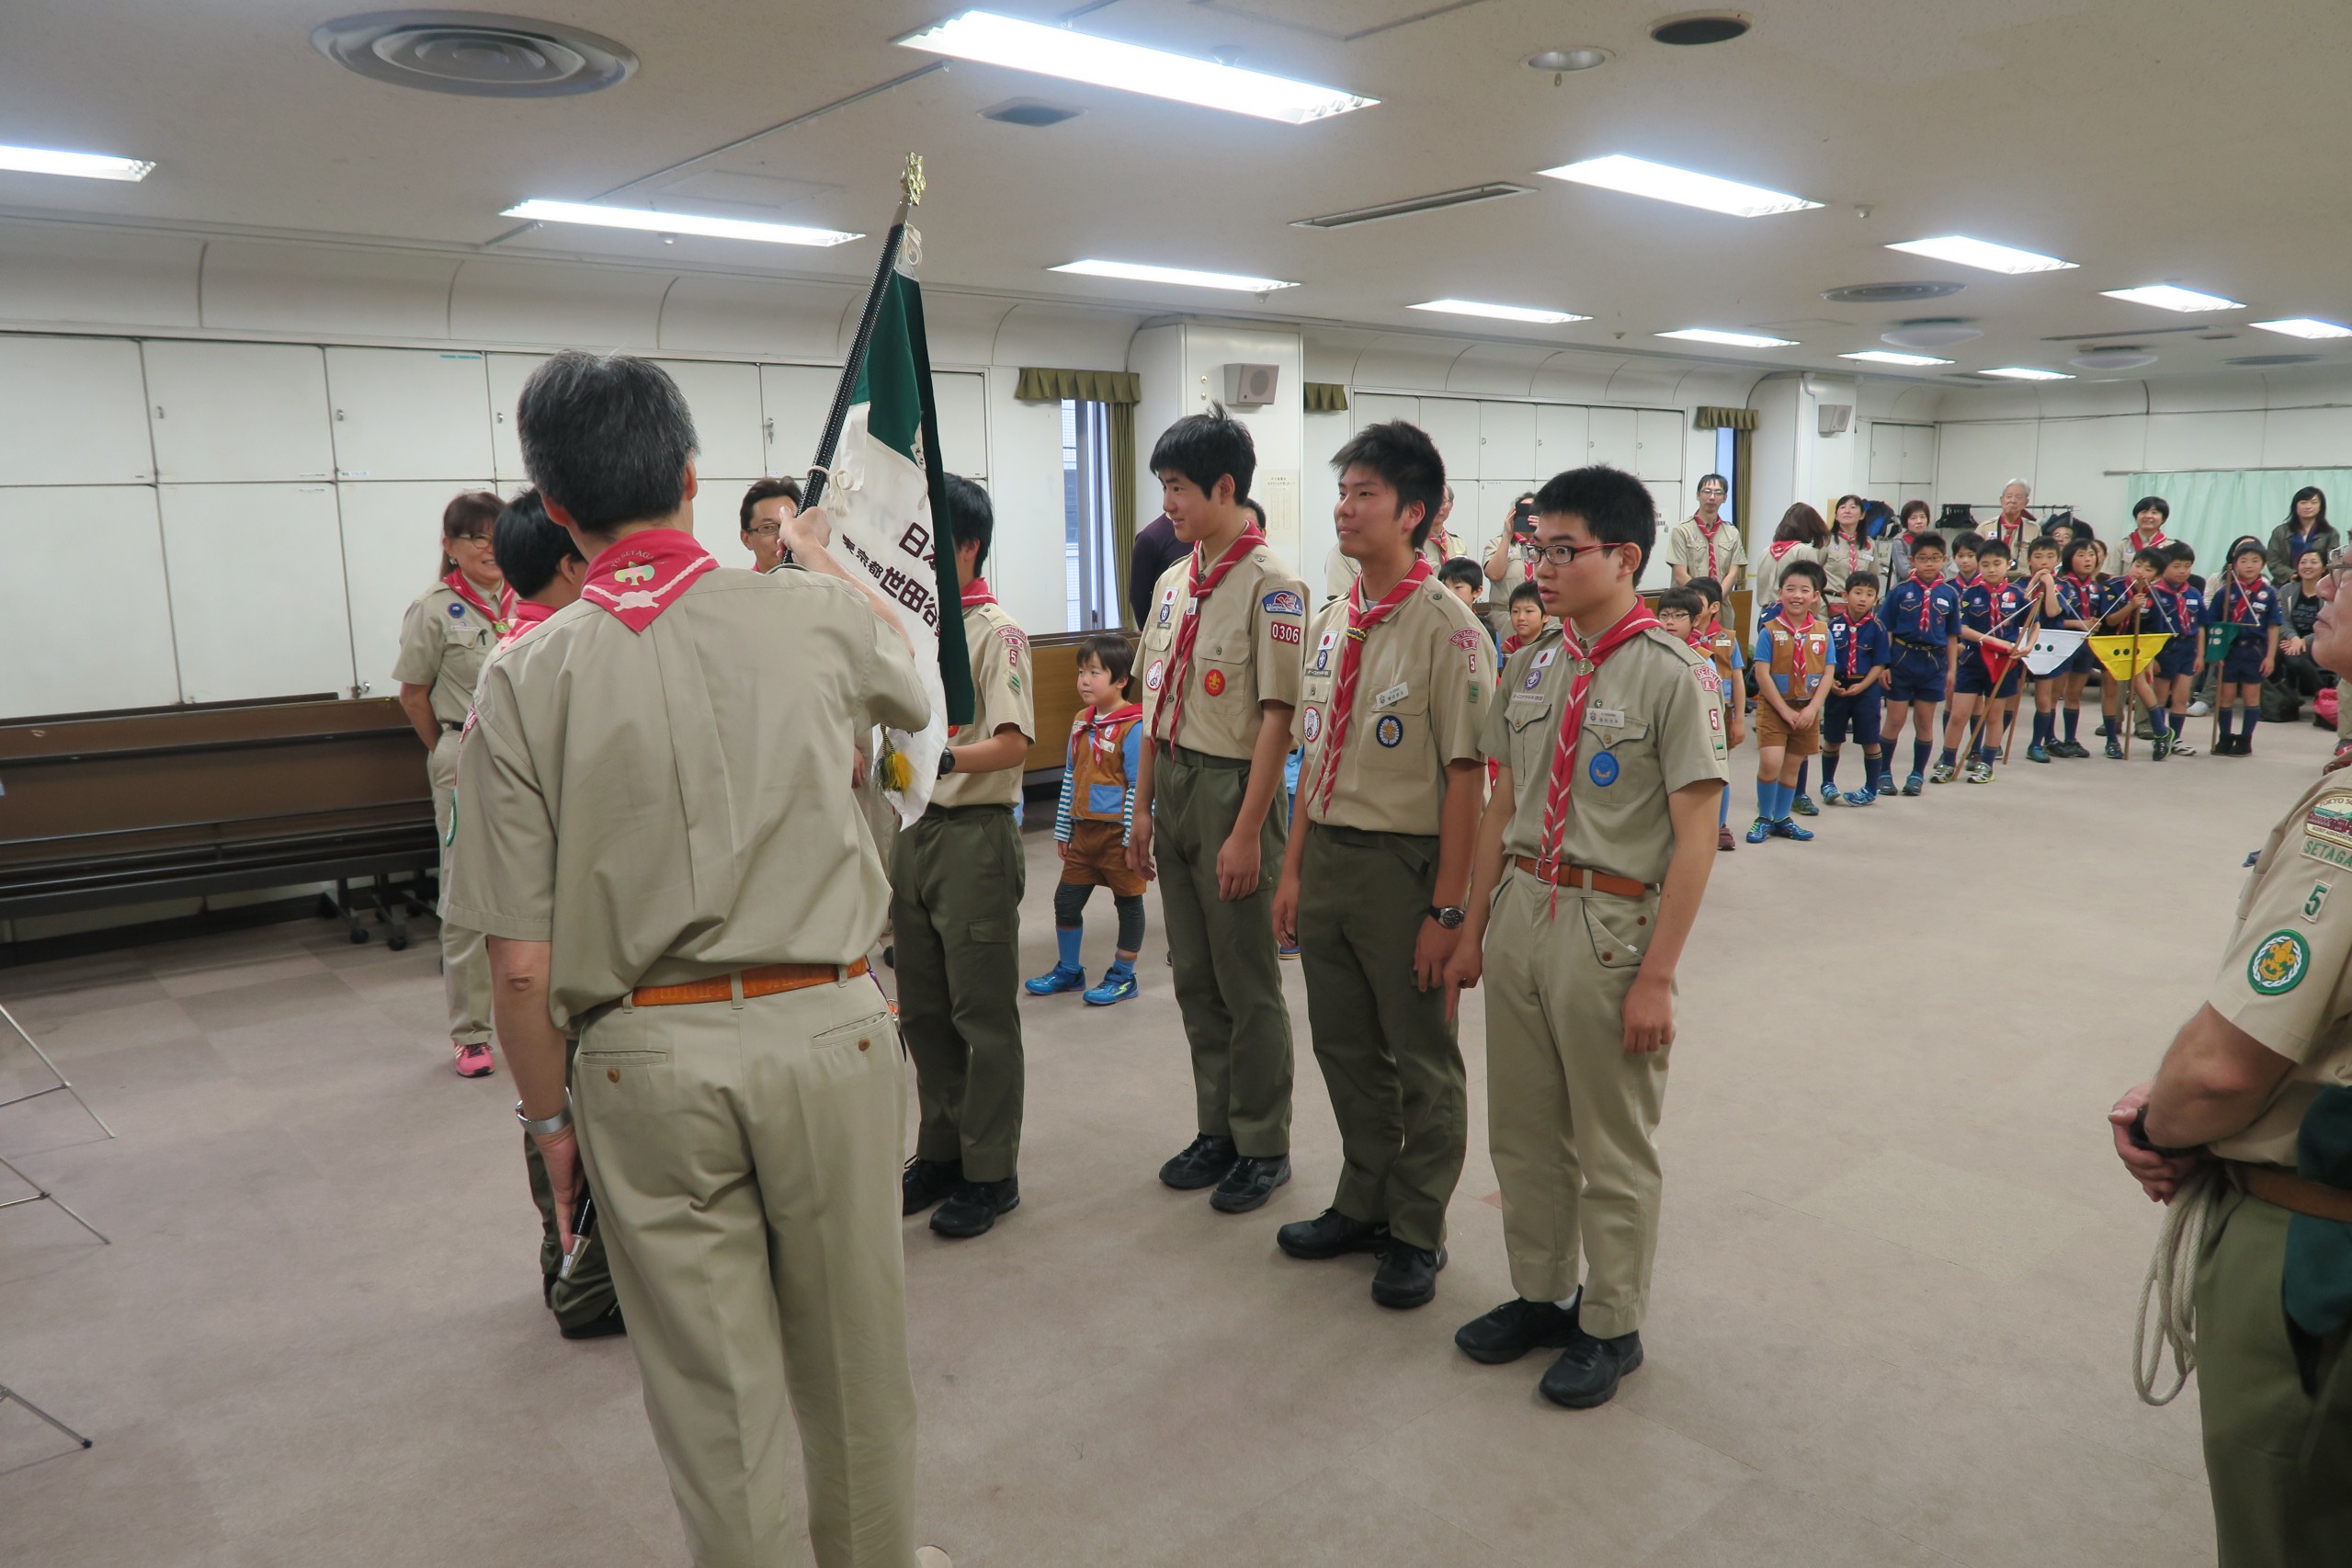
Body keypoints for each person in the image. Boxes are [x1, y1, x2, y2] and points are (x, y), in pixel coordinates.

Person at [448, 350, 927, 1568]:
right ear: (691, 476)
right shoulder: (813, 615)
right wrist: (817, 557)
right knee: (856, 1359)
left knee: (713, 1394)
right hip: (826, 1023)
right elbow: (919, 696)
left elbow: (517, 962)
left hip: (641, 1057)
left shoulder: (520, 674)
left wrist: (549, 1125)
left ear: (555, 507)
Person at [1443, 464, 1728, 1410]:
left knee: (1612, 1142)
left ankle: (1610, 1322)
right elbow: (1502, 803)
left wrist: (1657, 977)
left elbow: (1696, 838)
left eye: (1565, 550)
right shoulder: (1531, 662)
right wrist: (1473, 927)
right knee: (1523, 1130)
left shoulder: (1674, 673)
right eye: (1538, 547)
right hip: (1525, 907)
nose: (1543, 566)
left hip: (1609, 927)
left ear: (1627, 557)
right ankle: (1540, 1294)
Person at [2107, 545, 2352, 1562]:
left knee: (2286, 1524)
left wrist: (2159, 1125)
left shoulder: (2346, 822)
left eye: (2349, 575)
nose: (2325, 587)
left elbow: (2223, 1070)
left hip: (2315, 1244)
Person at [1272, 421, 1493, 1310]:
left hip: (1405, 869)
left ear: (1413, 514)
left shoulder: (1450, 631)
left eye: (1365, 494)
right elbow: (1312, 754)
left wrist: (1448, 913)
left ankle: (1416, 1227)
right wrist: (1294, 871)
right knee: (1343, 1045)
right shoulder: (1333, 623)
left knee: (1420, 1055)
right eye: (1343, 491)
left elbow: (1466, 781)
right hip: (1328, 854)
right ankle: (1362, 1200)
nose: (1344, 508)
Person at [1131, 406, 1307, 1214]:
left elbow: (1278, 719)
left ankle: (1263, 1143)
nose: (1167, 504)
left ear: (1224, 487)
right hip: (1171, 783)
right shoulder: (1174, 582)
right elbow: (1151, 707)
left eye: (1177, 488)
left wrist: (1245, 833)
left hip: (1233, 791)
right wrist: (1140, 810)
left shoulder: (1273, 587)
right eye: (1163, 487)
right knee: (1195, 976)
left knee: (1246, 980)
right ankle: (1218, 1128)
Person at [472, 491, 620, 1340]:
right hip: (588, 973)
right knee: (584, 1149)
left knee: (554, 1133)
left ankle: (559, 1258)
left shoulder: (512, 663)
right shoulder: (562, 672)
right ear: (571, 565)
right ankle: (583, 1284)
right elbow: (521, 964)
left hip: (544, 967)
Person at [896, 476, 1037, 1240]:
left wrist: (941, 759)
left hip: (972, 837)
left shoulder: (994, 632)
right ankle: (941, 1151)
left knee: (979, 1014)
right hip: (913, 833)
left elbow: (1012, 744)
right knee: (923, 1011)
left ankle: (991, 1172)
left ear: (968, 546)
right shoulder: (910, 628)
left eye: (928, 542)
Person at [393, 489, 511, 1079]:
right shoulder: (434, 609)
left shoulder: (533, 596)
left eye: (497, 535)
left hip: (527, 761)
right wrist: (446, 746)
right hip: (462, 758)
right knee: (465, 898)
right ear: (450, 546)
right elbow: (413, 695)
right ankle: (471, 1035)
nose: (490, 548)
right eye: (475, 537)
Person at [1027, 634, 1147, 1004]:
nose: (1084, 680)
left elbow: (1140, 787)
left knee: (1128, 904)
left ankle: (1124, 975)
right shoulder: (1082, 721)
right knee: (1066, 901)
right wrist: (1063, 829)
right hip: (1083, 834)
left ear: (1121, 680)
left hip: (1117, 836)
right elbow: (1070, 776)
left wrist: (1131, 841)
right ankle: (1069, 970)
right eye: (1081, 672)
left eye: (1095, 672)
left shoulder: (1133, 726)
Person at [1745, 560, 1833, 842]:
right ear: (1780, 592)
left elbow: (1828, 672)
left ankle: (1782, 818)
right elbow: (1762, 673)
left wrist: (1813, 709)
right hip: (1775, 707)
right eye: (1790, 589)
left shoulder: (1822, 631)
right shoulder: (1769, 630)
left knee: (1792, 766)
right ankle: (1764, 817)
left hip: (1806, 708)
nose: (1797, 595)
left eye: (1804, 590)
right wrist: (1783, 710)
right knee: (1771, 762)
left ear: (1815, 596)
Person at [1940, 537, 2031, 783]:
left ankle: (1986, 764)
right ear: (1979, 565)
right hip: (1973, 660)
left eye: (1997, 563)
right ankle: (1947, 762)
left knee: (1994, 716)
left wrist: (2027, 647)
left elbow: (2033, 624)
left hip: (2004, 664)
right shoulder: (1969, 594)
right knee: (1958, 714)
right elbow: (1962, 628)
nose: (1991, 569)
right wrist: (1993, 641)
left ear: (2008, 564)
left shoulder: (2018, 595)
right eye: (1986, 564)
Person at [1877, 531, 1961, 795]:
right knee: (1895, 719)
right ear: (1912, 560)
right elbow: (1887, 630)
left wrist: (1952, 670)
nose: (1929, 563)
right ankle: (1883, 772)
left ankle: (1916, 774)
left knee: (1924, 721)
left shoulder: (1949, 594)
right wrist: (1884, 665)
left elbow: (1952, 636)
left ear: (1944, 560)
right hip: (1902, 658)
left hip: (1933, 663)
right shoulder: (1900, 591)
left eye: (1935, 558)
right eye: (1922, 558)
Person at [1685, 576, 1746, 849]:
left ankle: (1719, 825)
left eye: (1696, 602)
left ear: (1714, 607)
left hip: (1721, 714)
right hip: (1689, 712)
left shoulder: (1727, 639)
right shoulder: (1679, 638)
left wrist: (1740, 720)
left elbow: (1738, 680)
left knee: (1720, 770)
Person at [1821, 569, 1890, 804]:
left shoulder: (1878, 627)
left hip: (1866, 689)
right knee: (1832, 738)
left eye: (1869, 594)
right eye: (1858, 592)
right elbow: (1824, 659)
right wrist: (1830, 682)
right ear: (1845, 595)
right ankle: (1827, 783)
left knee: (1870, 739)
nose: (1863, 598)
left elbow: (1879, 664)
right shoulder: (1832, 626)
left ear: (1876, 600)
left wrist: (1862, 686)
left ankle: (1871, 788)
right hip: (1837, 687)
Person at [2208, 540, 2282, 756]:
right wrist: (2216, 652)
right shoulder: (2225, 592)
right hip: (2229, 650)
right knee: (2226, 696)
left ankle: (2245, 740)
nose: (2249, 565)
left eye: (2255, 561)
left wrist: (2270, 657)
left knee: (2251, 697)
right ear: (2234, 564)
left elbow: (2273, 627)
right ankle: (2225, 737)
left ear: (2263, 564)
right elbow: (2214, 625)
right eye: (2244, 560)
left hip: (2254, 651)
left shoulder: (2268, 594)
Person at [2131, 543, 2205, 759]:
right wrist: (2151, 657)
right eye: (2177, 566)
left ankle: (2176, 738)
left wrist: (2200, 655)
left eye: (2187, 566)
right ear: (2164, 567)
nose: (2182, 571)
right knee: (2160, 696)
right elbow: (2145, 630)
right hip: (2163, 649)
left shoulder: (2193, 593)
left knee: (2182, 697)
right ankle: (2160, 736)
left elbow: (2201, 626)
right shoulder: (2153, 593)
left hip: (2188, 649)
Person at [2095, 548, 2164, 759]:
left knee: (2142, 684)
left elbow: (2153, 631)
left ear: (2157, 576)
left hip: (2137, 646)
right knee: (2111, 689)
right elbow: (2110, 620)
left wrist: (2151, 658)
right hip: (2111, 643)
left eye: (2148, 569)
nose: (2140, 572)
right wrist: (2131, 606)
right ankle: (2112, 740)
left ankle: (2162, 735)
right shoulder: (2112, 587)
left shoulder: (2155, 596)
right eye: (2137, 565)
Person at [2017, 535, 2072, 762]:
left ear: (2058, 560)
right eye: (2038, 557)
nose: (2044, 562)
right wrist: (2033, 583)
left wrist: (2049, 585)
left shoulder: (2063, 586)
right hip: (2022, 641)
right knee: (2011, 695)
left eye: (2050, 557)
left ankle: (2036, 744)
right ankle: (1996, 743)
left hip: (2048, 644)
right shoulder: (2019, 584)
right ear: (2029, 560)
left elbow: (2051, 611)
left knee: (2044, 698)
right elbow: (2022, 609)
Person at [2270, 547, 2331, 720]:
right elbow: (2282, 620)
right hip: (2291, 641)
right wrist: (2294, 638)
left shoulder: (2330, 592)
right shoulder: (2287, 590)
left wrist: (2304, 641)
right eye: (2303, 562)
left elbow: (2329, 624)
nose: (2307, 566)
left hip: (2321, 642)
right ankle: (2282, 700)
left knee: (2292, 656)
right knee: (2278, 653)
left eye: (2313, 562)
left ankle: (2321, 694)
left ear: (2323, 568)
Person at [1664, 472, 1745, 591]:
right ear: (1698, 495)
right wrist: (1703, 600)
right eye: (1707, 491)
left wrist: (1717, 598)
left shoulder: (1732, 532)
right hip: (1689, 600)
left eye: (1718, 493)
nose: (1712, 497)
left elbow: (1733, 574)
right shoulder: (1682, 530)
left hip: (1721, 600)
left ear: (1725, 498)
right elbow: (1680, 575)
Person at [1752, 502, 1826, 611]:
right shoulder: (1805, 551)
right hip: (1793, 612)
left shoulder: (1766, 551)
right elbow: (1813, 586)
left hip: (1767, 612)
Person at [1130, 509, 1191, 631]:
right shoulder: (1150, 537)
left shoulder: (1207, 532)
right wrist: (1155, 631)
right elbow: (1138, 596)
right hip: (1168, 627)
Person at [2265, 485, 2336, 585]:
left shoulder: (2330, 533)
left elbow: (2333, 562)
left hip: (2319, 585)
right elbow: (2272, 561)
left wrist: (2313, 576)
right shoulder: (2280, 532)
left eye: (2314, 502)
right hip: (2285, 584)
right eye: (2303, 502)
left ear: (2321, 506)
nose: (2308, 506)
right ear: (2295, 506)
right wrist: (2291, 574)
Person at [738, 475, 801, 573]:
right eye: (768, 527)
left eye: (790, 525)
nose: (782, 539)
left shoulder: (820, 580)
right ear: (746, 539)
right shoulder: (740, 583)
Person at [1823, 494, 1874, 597]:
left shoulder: (1869, 543)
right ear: (1836, 516)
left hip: (1858, 602)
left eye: (1853, 507)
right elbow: (1813, 571)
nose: (1847, 511)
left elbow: (1872, 575)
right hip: (1831, 600)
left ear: (1862, 515)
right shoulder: (1826, 540)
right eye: (1842, 507)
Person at [1885, 499, 1934, 584]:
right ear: (1906, 521)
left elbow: (1942, 571)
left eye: (1923, 517)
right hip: (1909, 588)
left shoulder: (1934, 542)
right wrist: (1931, 569)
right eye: (1913, 518)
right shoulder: (1900, 543)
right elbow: (1905, 572)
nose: (1919, 521)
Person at [1986, 478, 2034, 560]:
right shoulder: (1985, 528)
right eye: (2009, 496)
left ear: (2026, 503)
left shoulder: (2034, 529)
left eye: (2018, 497)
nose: (2013, 501)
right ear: (2001, 500)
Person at [1502, 579, 1547, 654]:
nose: (1521, 618)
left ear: (1546, 616)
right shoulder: (1506, 649)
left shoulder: (1553, 646)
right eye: (1515, 611)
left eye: (1529, 611)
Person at [2126, 494, 2174, 559]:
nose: (2148, 516)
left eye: (2154, 512)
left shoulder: (2171, 547)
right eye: (2144, 512)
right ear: (2136, 517)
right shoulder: (2123, 545)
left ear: (2163, 519)